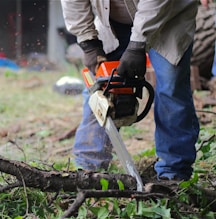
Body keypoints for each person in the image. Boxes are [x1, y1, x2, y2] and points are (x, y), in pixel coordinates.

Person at [60, 0, 200, 181]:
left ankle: (174, 172)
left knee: (171, 87)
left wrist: (137, 45)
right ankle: (89, 168)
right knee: (100, 87)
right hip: (112, 22)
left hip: (168, 17)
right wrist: (88, 42)